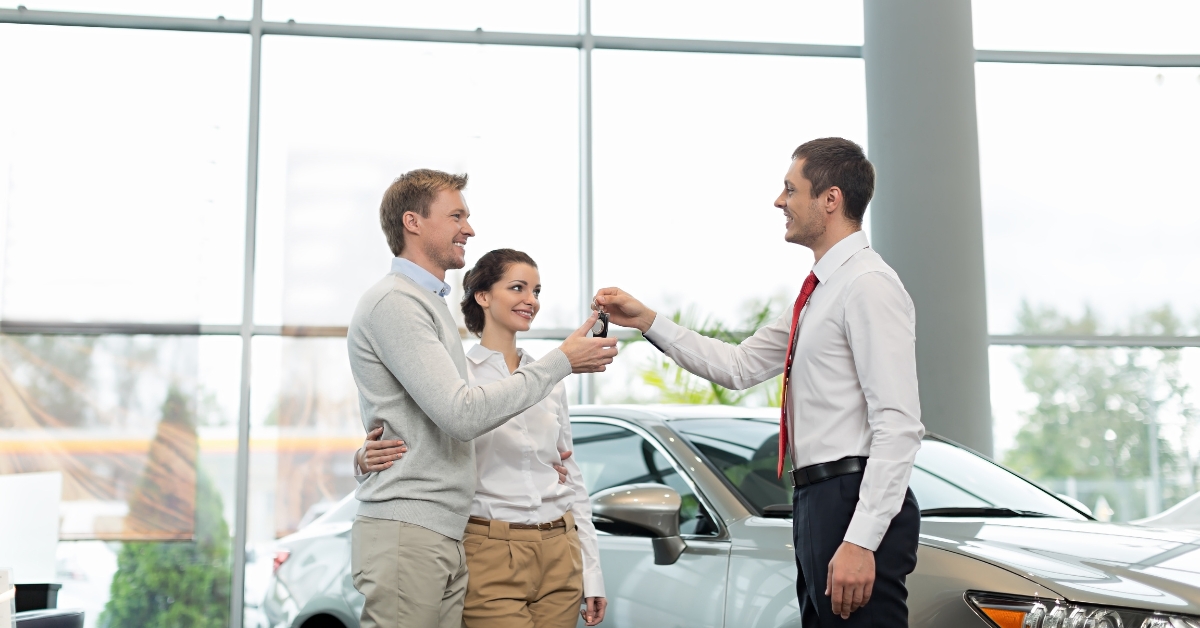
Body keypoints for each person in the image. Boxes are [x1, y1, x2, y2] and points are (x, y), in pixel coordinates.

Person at [593, 138, 924, 627]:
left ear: (830, 200)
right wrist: (648, 320)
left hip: (851, 500)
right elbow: (739, 365)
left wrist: (860, 539)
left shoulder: (867, 285)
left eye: (791, 189)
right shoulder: (819, 294)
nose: (779, 201)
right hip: (816, 500)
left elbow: (899, 425)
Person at [347, 169, 617, 628]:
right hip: (417, 529)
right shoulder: (396, 302)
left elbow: (415, 417)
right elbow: (460, 413)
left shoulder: (428, 304)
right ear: (412, 222)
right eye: (456, 216)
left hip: (444, 532)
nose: (468, 228)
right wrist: (561, 361)